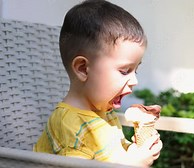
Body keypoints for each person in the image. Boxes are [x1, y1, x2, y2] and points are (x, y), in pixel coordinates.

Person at [33, 0, 162, 167]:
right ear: (83, 69)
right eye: (124, 71)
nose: (135, 81)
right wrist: (134, 164)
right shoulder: (69, 125)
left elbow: (112, 158)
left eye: (135, 70)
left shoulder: (104, 111)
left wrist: (137, 151)